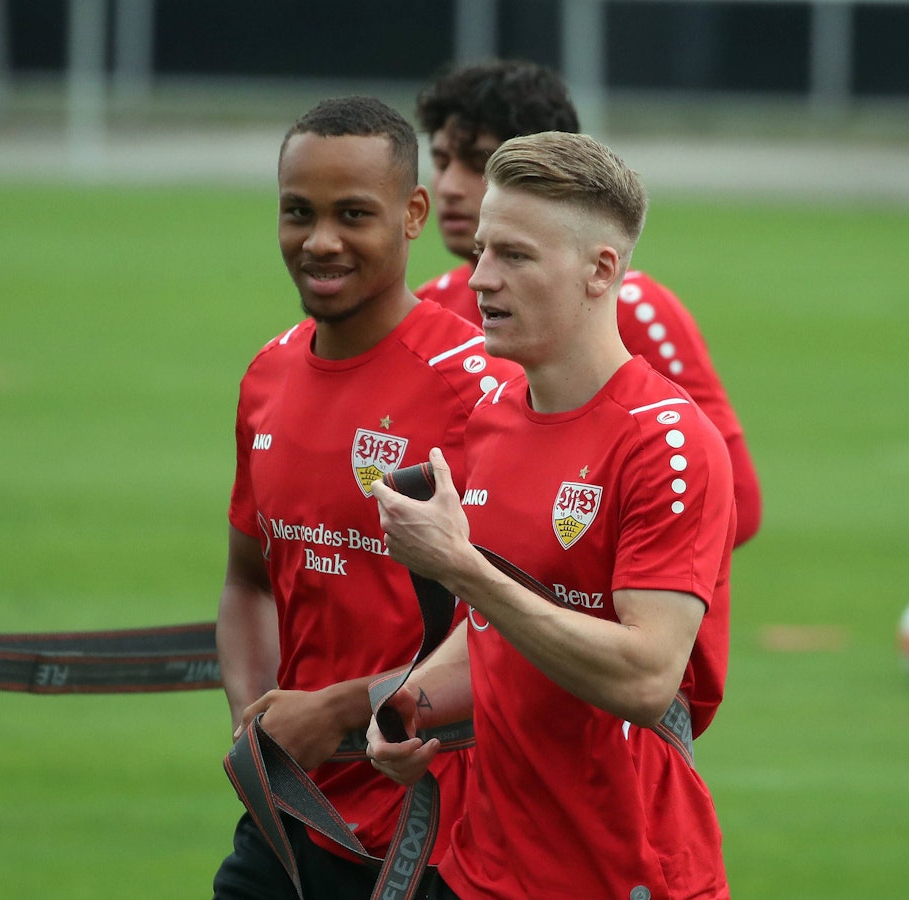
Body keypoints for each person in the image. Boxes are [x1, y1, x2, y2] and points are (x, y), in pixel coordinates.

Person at [368, 131, 735, 899]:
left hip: (621, 869)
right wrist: (409, 707)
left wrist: (461, 567)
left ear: (602, 270)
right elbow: (498, 633)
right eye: (483, 252)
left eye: (517, 258)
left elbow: (643, 676)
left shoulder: (669, 444)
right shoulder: (496, 413)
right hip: (478, 866)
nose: (481, 280)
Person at [211, 96, 521, 899]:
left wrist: (340, 710)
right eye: (297, 213)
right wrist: (263, 729)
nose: (320, 241)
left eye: (353, 214)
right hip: (290, 820)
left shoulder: (482, 389)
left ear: (413, 213)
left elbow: (519, 625)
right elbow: (248, 581)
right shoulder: (266, 377)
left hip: (436, 835)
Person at [414, 59, 761, 547]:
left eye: (477, 161)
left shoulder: (630, 307)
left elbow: (736, 505)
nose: (448, 185)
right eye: (442, 158)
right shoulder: (429, 306)